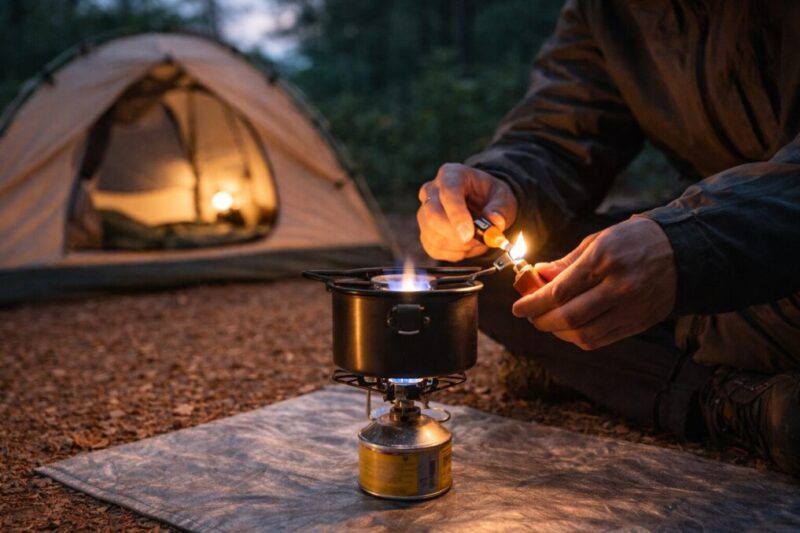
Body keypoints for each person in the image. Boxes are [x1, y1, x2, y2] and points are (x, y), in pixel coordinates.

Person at [416, 0, 800, 474]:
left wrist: (685, 247)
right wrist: (504, 183)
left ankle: (614, 374)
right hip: (702, 238)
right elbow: (560, 132)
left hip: (772, 244)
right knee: (470, 276)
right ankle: (733, 399)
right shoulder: (608, 12)